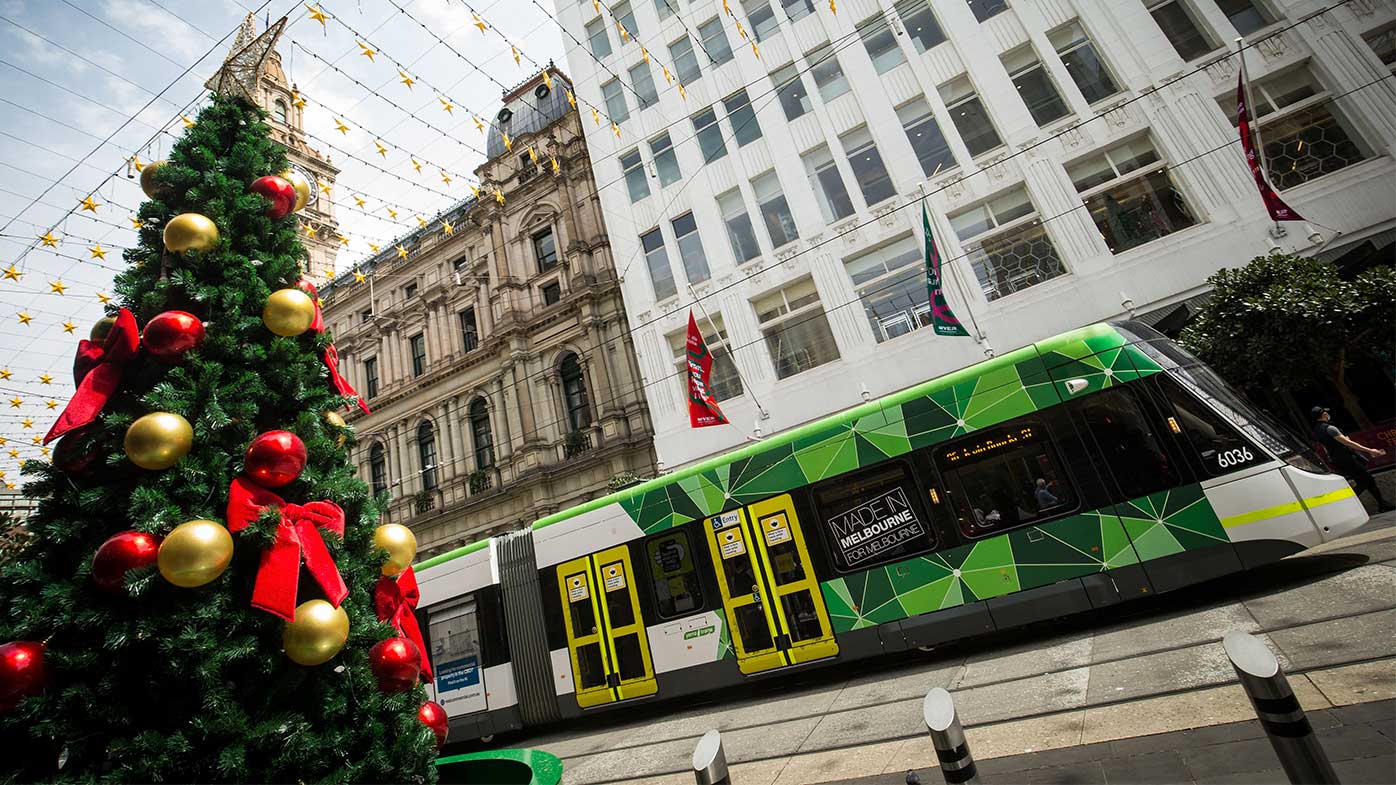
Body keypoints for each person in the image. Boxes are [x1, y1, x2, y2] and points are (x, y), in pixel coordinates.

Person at [1311, 406, 1392, 512]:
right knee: (1366, 481)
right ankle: (1345, 505)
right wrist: (1370, 450)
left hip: (1338, 460)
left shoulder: (1317, 431)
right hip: (1346, 458)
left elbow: (1326, 447)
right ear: (1324, 414)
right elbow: (1349, 443)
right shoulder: (1330, 428)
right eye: (1326, 413)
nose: (1328, 414)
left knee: (1366, 481)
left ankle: (1382, 504)